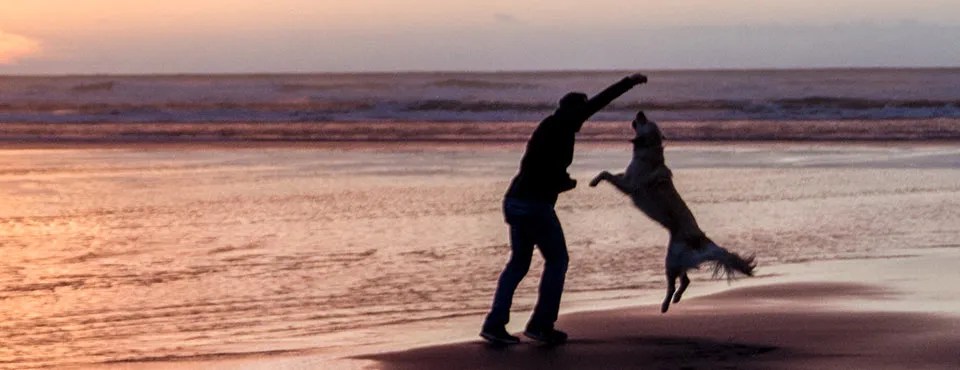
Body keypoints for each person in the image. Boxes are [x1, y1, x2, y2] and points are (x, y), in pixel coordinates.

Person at [481, 73, 648, 345]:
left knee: (519, 263)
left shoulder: (550, 124)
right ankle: (540, 324)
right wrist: (563, 182)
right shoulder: (563, 127)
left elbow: (534, 165)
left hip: (515, 201)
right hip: (534, 205)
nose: (586, 117)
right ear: (574, 111)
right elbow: (545, 171)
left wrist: (628, 83)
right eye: (583, 111)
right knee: (557, 260)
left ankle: (495, 323)